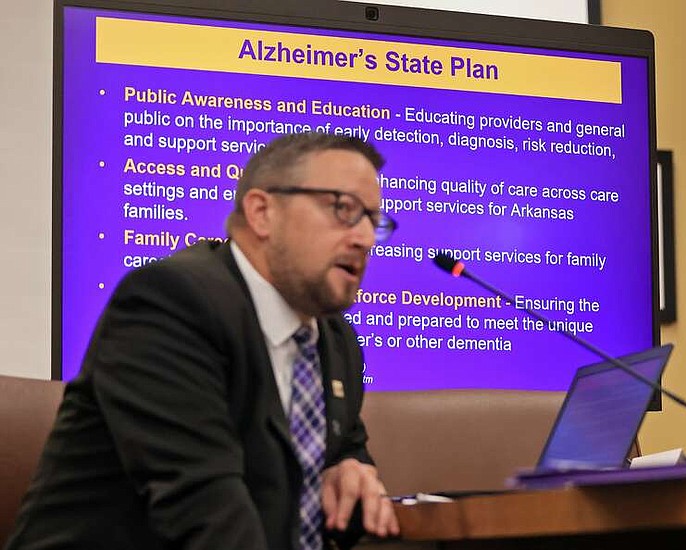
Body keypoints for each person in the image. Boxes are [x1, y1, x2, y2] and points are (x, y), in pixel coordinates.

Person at [6, 132, 400, 550]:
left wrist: (350, 469)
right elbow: (204, 512)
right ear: (262, 212)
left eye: (373, 220)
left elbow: (345, 452)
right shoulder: (170, 304)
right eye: (343, 209)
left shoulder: (333, 338)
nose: (364, 238)